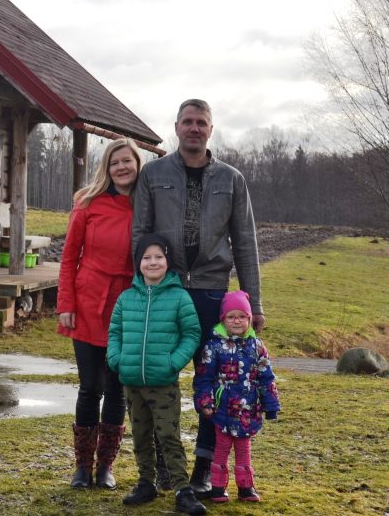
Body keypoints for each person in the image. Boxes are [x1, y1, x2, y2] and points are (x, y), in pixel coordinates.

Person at [132, 98, 264, 494]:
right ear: (176, 127)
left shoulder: (231, 179)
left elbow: (245, 243)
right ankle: (162, 466)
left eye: (201, 122)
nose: (194, 128)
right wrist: (141, 290)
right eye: (187, 121)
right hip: (166, 291)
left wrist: (254, 304)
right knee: (159, 379)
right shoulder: (153, 174)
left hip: (211, 292)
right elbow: (139, 235)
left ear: (210, 129)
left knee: (214, 381)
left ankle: (204, 468)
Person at [56, 137, 141, 488]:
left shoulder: (146, 204)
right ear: (106, 167)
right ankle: (82, 467)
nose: (121, 167)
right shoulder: (87, 202)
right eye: (115, 162)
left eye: (127, 161)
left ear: (137, 165)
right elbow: (68, 256)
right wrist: (66, 304)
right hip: (89, 300)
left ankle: (106, 466)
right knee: (90, 387)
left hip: (127, 304)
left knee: (117, 388)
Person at [107, 234, 206, 515]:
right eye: (146, 258)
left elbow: (191, 333)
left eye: (158, 257)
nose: (153, 262)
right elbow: (114, 333)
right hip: (132, 382)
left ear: (168, 261)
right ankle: (146, 483)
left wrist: (172, 363)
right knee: (140, 435)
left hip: (163, 384)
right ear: (138, 263)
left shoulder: (179, 297)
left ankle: (182, 490)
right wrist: (117, 360)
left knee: (168, 436)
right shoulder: (126, 298)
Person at [193, 290, 280, 503]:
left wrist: (271, 405)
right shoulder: (214, 346)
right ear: (223, 319)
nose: (237, 321)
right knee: (221, 448)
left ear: (249, 319)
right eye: (231, 317)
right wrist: (205, 402)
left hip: (248, 410)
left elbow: (266, 377)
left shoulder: (257, 346)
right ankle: (217, 487)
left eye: (242, 316)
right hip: (222, 409)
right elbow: (204, 377)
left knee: (244, 449)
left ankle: (246, 487)